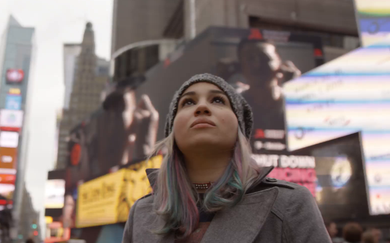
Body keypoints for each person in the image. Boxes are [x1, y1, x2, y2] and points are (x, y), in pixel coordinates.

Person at [122, 73, 330, 242]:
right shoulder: (141, 212)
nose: (201, 108)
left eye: (218, 100)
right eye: (187, 103)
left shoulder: (290, 203)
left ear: (239, 127)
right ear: (173, 131)